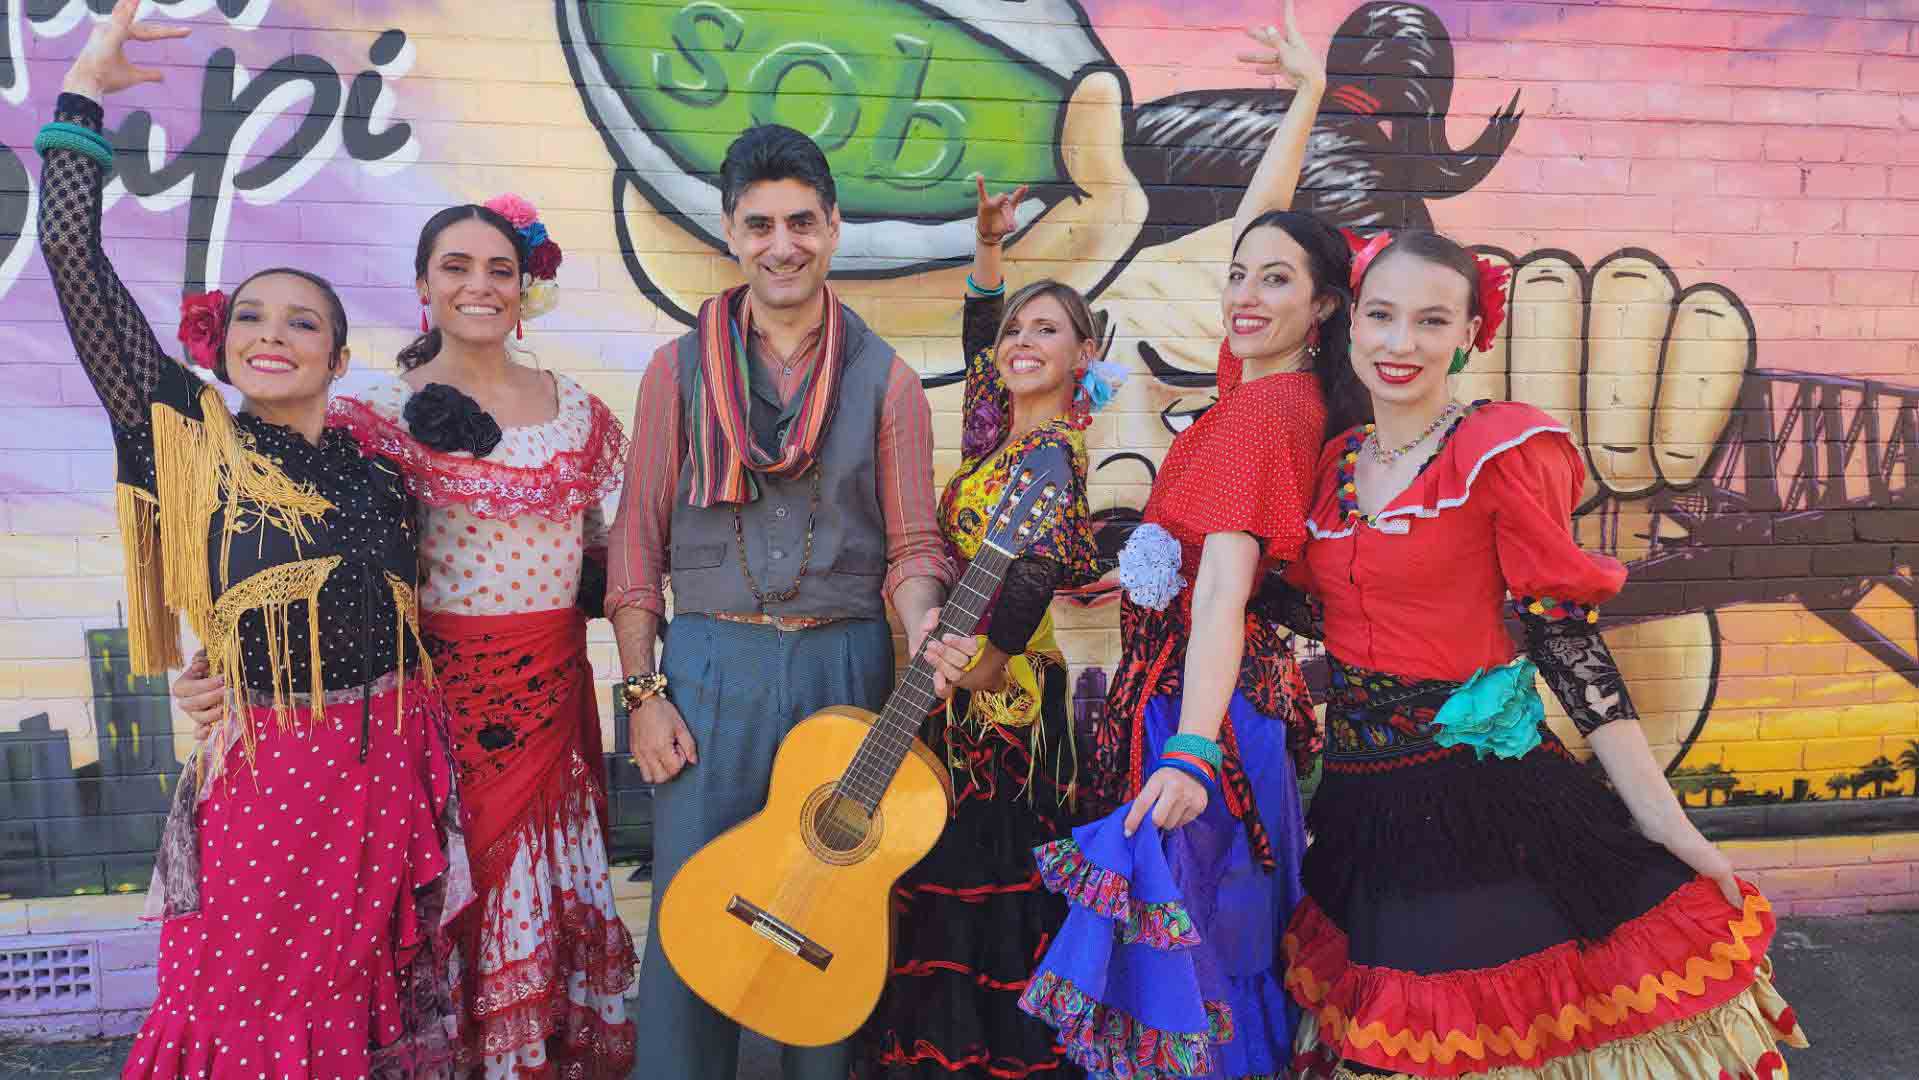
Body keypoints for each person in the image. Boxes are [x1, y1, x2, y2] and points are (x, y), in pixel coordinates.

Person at [41, 4, 467, 1077]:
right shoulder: (190, 439)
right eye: (252, 318)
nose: (272, 333)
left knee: (350, 1003)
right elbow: (71, 259)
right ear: (221, 348)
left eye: (301, 321)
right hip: (272, 775)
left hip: (388, 765)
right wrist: (82, 98)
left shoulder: (379, 463)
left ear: (335, 354)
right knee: (243, 1000)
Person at [1277, 228, 1808, 1078]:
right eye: (1380, 315)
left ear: (1467, 336)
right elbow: (1310, 598)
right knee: (1384, 1021)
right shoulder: (1336, 461)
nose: (1399, 342)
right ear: (1348, 326)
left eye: (1430, 319)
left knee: (1465, 1028)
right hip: (1357, 802)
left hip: (1476, 794)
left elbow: (1564, 638)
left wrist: (1661, 817)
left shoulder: (1500, 448)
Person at [178, 198, 638, 1076]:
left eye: (499, 269)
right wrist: (212, 667)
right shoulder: (372, 410)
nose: (477, 286)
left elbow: (595, 551)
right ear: (423, 285)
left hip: (549, 693)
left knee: (541, 891)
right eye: (454, 267)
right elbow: (304, 553)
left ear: (526, 285)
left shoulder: (575, 410)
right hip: (427, 712)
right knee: (441, 901)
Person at [972, 6, 1349, 1077]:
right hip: (1200, 703)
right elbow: (1257, 218)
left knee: (1200, 966)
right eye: (1239, 275)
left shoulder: (1259, 422)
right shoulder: (1268, 391)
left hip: (1207, 717)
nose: (1242, 293)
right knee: (1204, 962)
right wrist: (1306, 101)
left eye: (1274, 282)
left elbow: (1223, 590)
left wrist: (1188, 748)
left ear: (1321, 307)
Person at [604, 124, 955, 1080]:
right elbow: (636, 543)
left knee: (829, 926)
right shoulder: (674, 373)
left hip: (846, 673)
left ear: (835, 228)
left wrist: (925, 622)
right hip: (708, 674)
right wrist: (642, 696)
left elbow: (913, 544)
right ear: (729, 232)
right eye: (759, 224)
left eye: (802, 220)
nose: (781, 244)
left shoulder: (888, 381)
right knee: (689, 923)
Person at [853, 179, 1115, 1079]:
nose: (1019, 344)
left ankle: (992, 1055)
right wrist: (988, 248)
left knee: (985, 870)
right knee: (942, 863)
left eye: (1047, 331)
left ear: (1085, 355)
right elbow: (976, 346)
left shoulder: (1050, 454)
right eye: (1017, 330)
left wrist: (988, 664)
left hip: (1000, 699)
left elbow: (1034, 572)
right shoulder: (997, 437)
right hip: (953, 680)